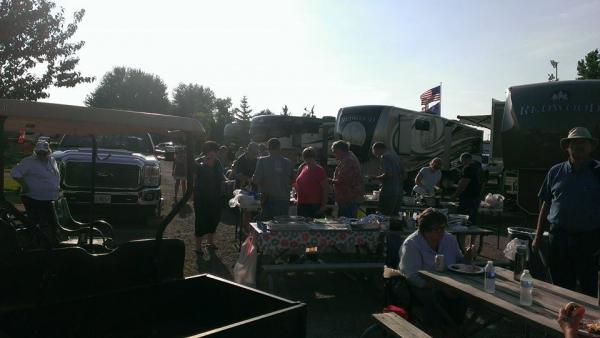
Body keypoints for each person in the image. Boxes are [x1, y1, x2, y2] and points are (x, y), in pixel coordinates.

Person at [533, 127, 600, 296]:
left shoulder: (598, 172)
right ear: (567, 147)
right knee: (561, 287)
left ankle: (590, 323)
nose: (579, 146)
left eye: (583, 142)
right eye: (575, 143)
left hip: (589, 240)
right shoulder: (555, 171)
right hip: (559, 239)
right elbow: (545, 205)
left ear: (591, 147)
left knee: (589, 287)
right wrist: (538, 237)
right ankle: (565, 320)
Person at [398, 208, 471, 335]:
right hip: (421, 285)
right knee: (434, 298)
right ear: (424, 230)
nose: (440, 232)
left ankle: (454, 328)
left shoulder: (450, 239)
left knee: (464, 296)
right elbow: (411, 276)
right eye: (435, 229)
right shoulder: (412, 244)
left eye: (442, 228)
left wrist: (468, 258)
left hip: (449, 282)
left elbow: (458, 263)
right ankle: (433, 330)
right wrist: (439, 287)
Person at [11, 141, 60, 241]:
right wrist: (25, 185)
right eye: (39, 153)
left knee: (51, 222)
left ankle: (52, 241)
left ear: (49, 152)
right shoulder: (28, 161)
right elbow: (15, 173)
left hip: (49, 198)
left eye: (44, 153)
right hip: (34, 198)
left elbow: (54, 177)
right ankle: (35, 242)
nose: (41, 155)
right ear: (36, 152)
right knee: (38, 223)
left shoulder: (52, 160)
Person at [193, 141, 225, 252]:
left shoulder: (217, 163)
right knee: (201, 220)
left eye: (214, 151)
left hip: (215, 197)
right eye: (210, 151)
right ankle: (198, 247)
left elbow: (222, 176)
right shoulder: (198, 162)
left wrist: (227, 180)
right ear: (205, 151)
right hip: (201, 197)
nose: (212, 154)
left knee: (214, 219)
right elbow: (194, 179)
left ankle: (210, 242)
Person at [253, 138, 293, 220]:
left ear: (268, 148)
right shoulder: (288, 162)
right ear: (279, 148)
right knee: (282, 227)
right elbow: (292, 180)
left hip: (269, 200)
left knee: (268, 228)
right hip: (284, 199)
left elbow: (256, 180)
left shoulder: (262, 161)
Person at [370, 142, 405, 216]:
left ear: (378, 149)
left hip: (388, 191)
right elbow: (404, 174)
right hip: (398, 191)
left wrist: (375, 177)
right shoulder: (396, 156)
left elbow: (388, 174)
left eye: (374, 152)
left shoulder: (385, 157)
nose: (375, 155)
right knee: (393, 216)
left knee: (384, 215)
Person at [331, 141, 364, 218]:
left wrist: (328, 180)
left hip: (348, 197)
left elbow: (343, 180)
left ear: (340, 150)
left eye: (335, 151)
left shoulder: (348, 160)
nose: (334, 154)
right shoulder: (348, 158)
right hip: (348, 197)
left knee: (347, 222)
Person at [294, 147, 328, 218]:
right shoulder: (303, 168)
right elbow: (297, 183)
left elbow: (325, 189)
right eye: (306, 157)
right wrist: (297, 197)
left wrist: (323, 206)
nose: (308, 159)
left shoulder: (319, 170)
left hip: (314, 205)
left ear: (314, 157)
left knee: (314, 227)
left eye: (310, 157)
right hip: (301, 204)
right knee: (303, 227)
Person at [451, 153, 482, 225]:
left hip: (467, 197)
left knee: (463, 219)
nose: (462, 163)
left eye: (462, 161)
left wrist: (454, 196)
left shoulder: (468, 168)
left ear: (467, 159)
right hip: (476, 196)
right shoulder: (479, 167)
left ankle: (462, 235)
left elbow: (463, 185)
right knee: (472, 219)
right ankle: (473, 235)